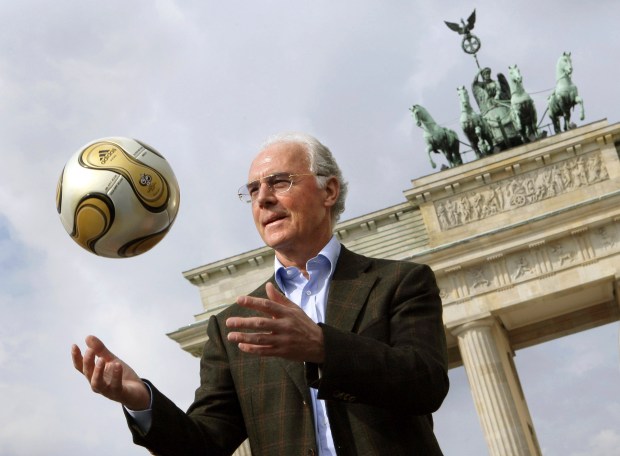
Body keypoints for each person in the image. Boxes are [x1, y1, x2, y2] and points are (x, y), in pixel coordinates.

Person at [72, 132, 449, 455]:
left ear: (328, 190)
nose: (263, 199)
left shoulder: (400, 283)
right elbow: (205, 445)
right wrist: (141, 401)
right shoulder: (232, 326)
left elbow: (425, 384)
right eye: (253, 190)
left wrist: (321, 347)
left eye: (280, 182)